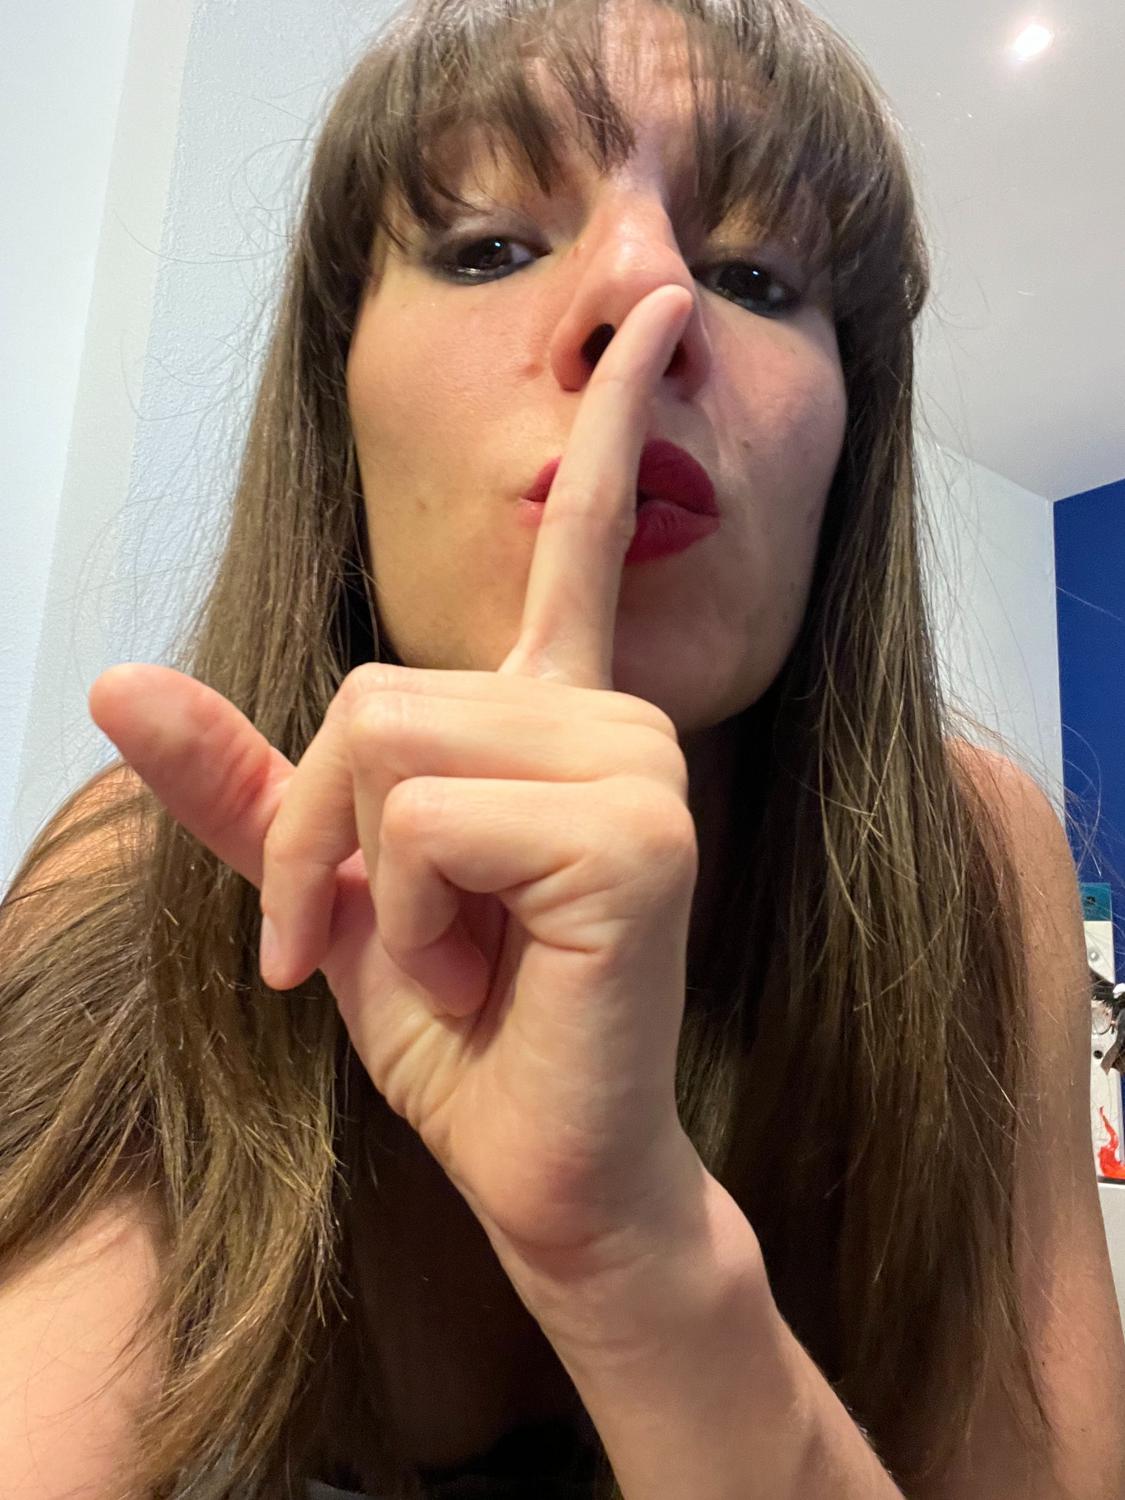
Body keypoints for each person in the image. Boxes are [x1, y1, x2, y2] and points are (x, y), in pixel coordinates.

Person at [2, 0, 1122, 1496]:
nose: (644, 296)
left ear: (851, 445)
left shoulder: (973, 864)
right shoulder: (152, 870)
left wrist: (640, 1260)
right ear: (339, 407)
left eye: (753, 275)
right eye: (485, 248)